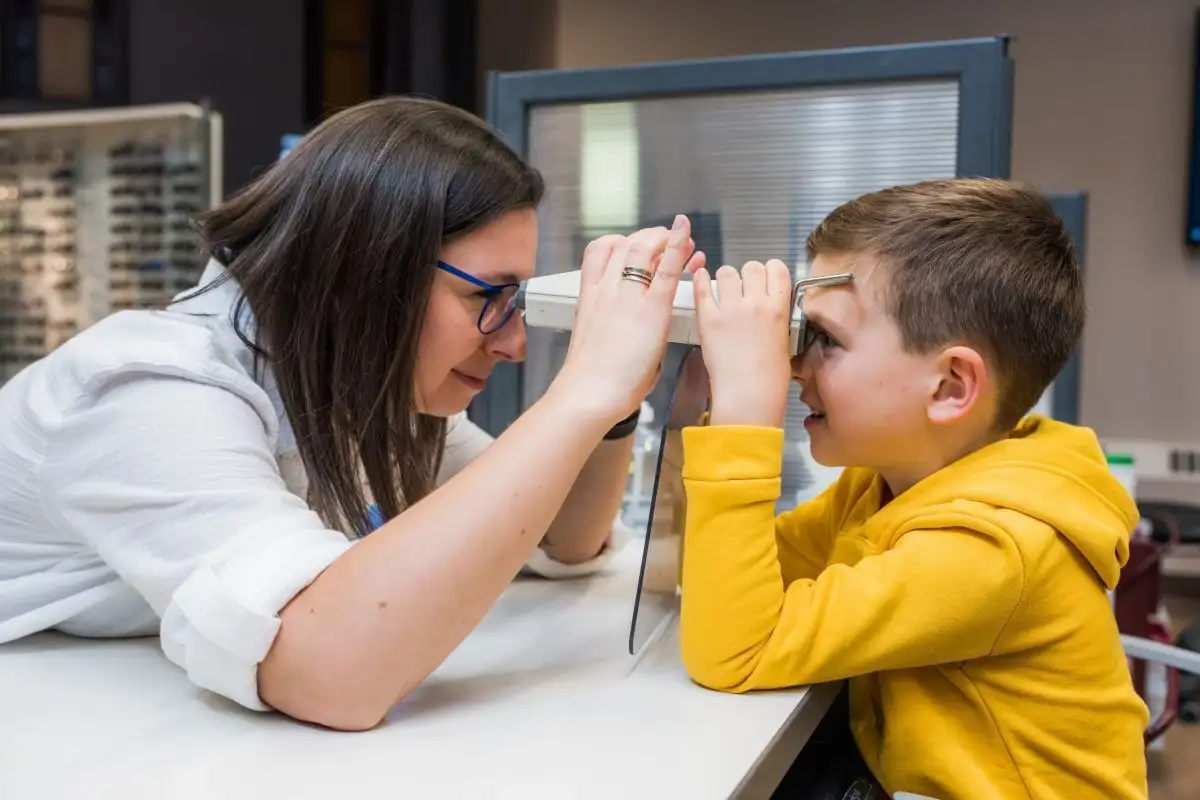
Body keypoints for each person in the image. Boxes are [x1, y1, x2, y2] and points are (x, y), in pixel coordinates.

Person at [0, 96, 705, 731]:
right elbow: (326, 672)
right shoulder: (150, 389)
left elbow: (560, 541)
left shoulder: (360, 389)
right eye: (487, 297)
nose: (515, 342)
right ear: (364, 269)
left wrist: (614, 402)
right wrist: (578, 392)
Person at [678, 178, 1149, 799]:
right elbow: (729, 581)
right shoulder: (888, 484)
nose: (792, 366)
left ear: (951, 386)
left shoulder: (993, 548)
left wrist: (746, 415)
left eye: (825, 341)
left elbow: (736, 652)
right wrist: (700, 399)